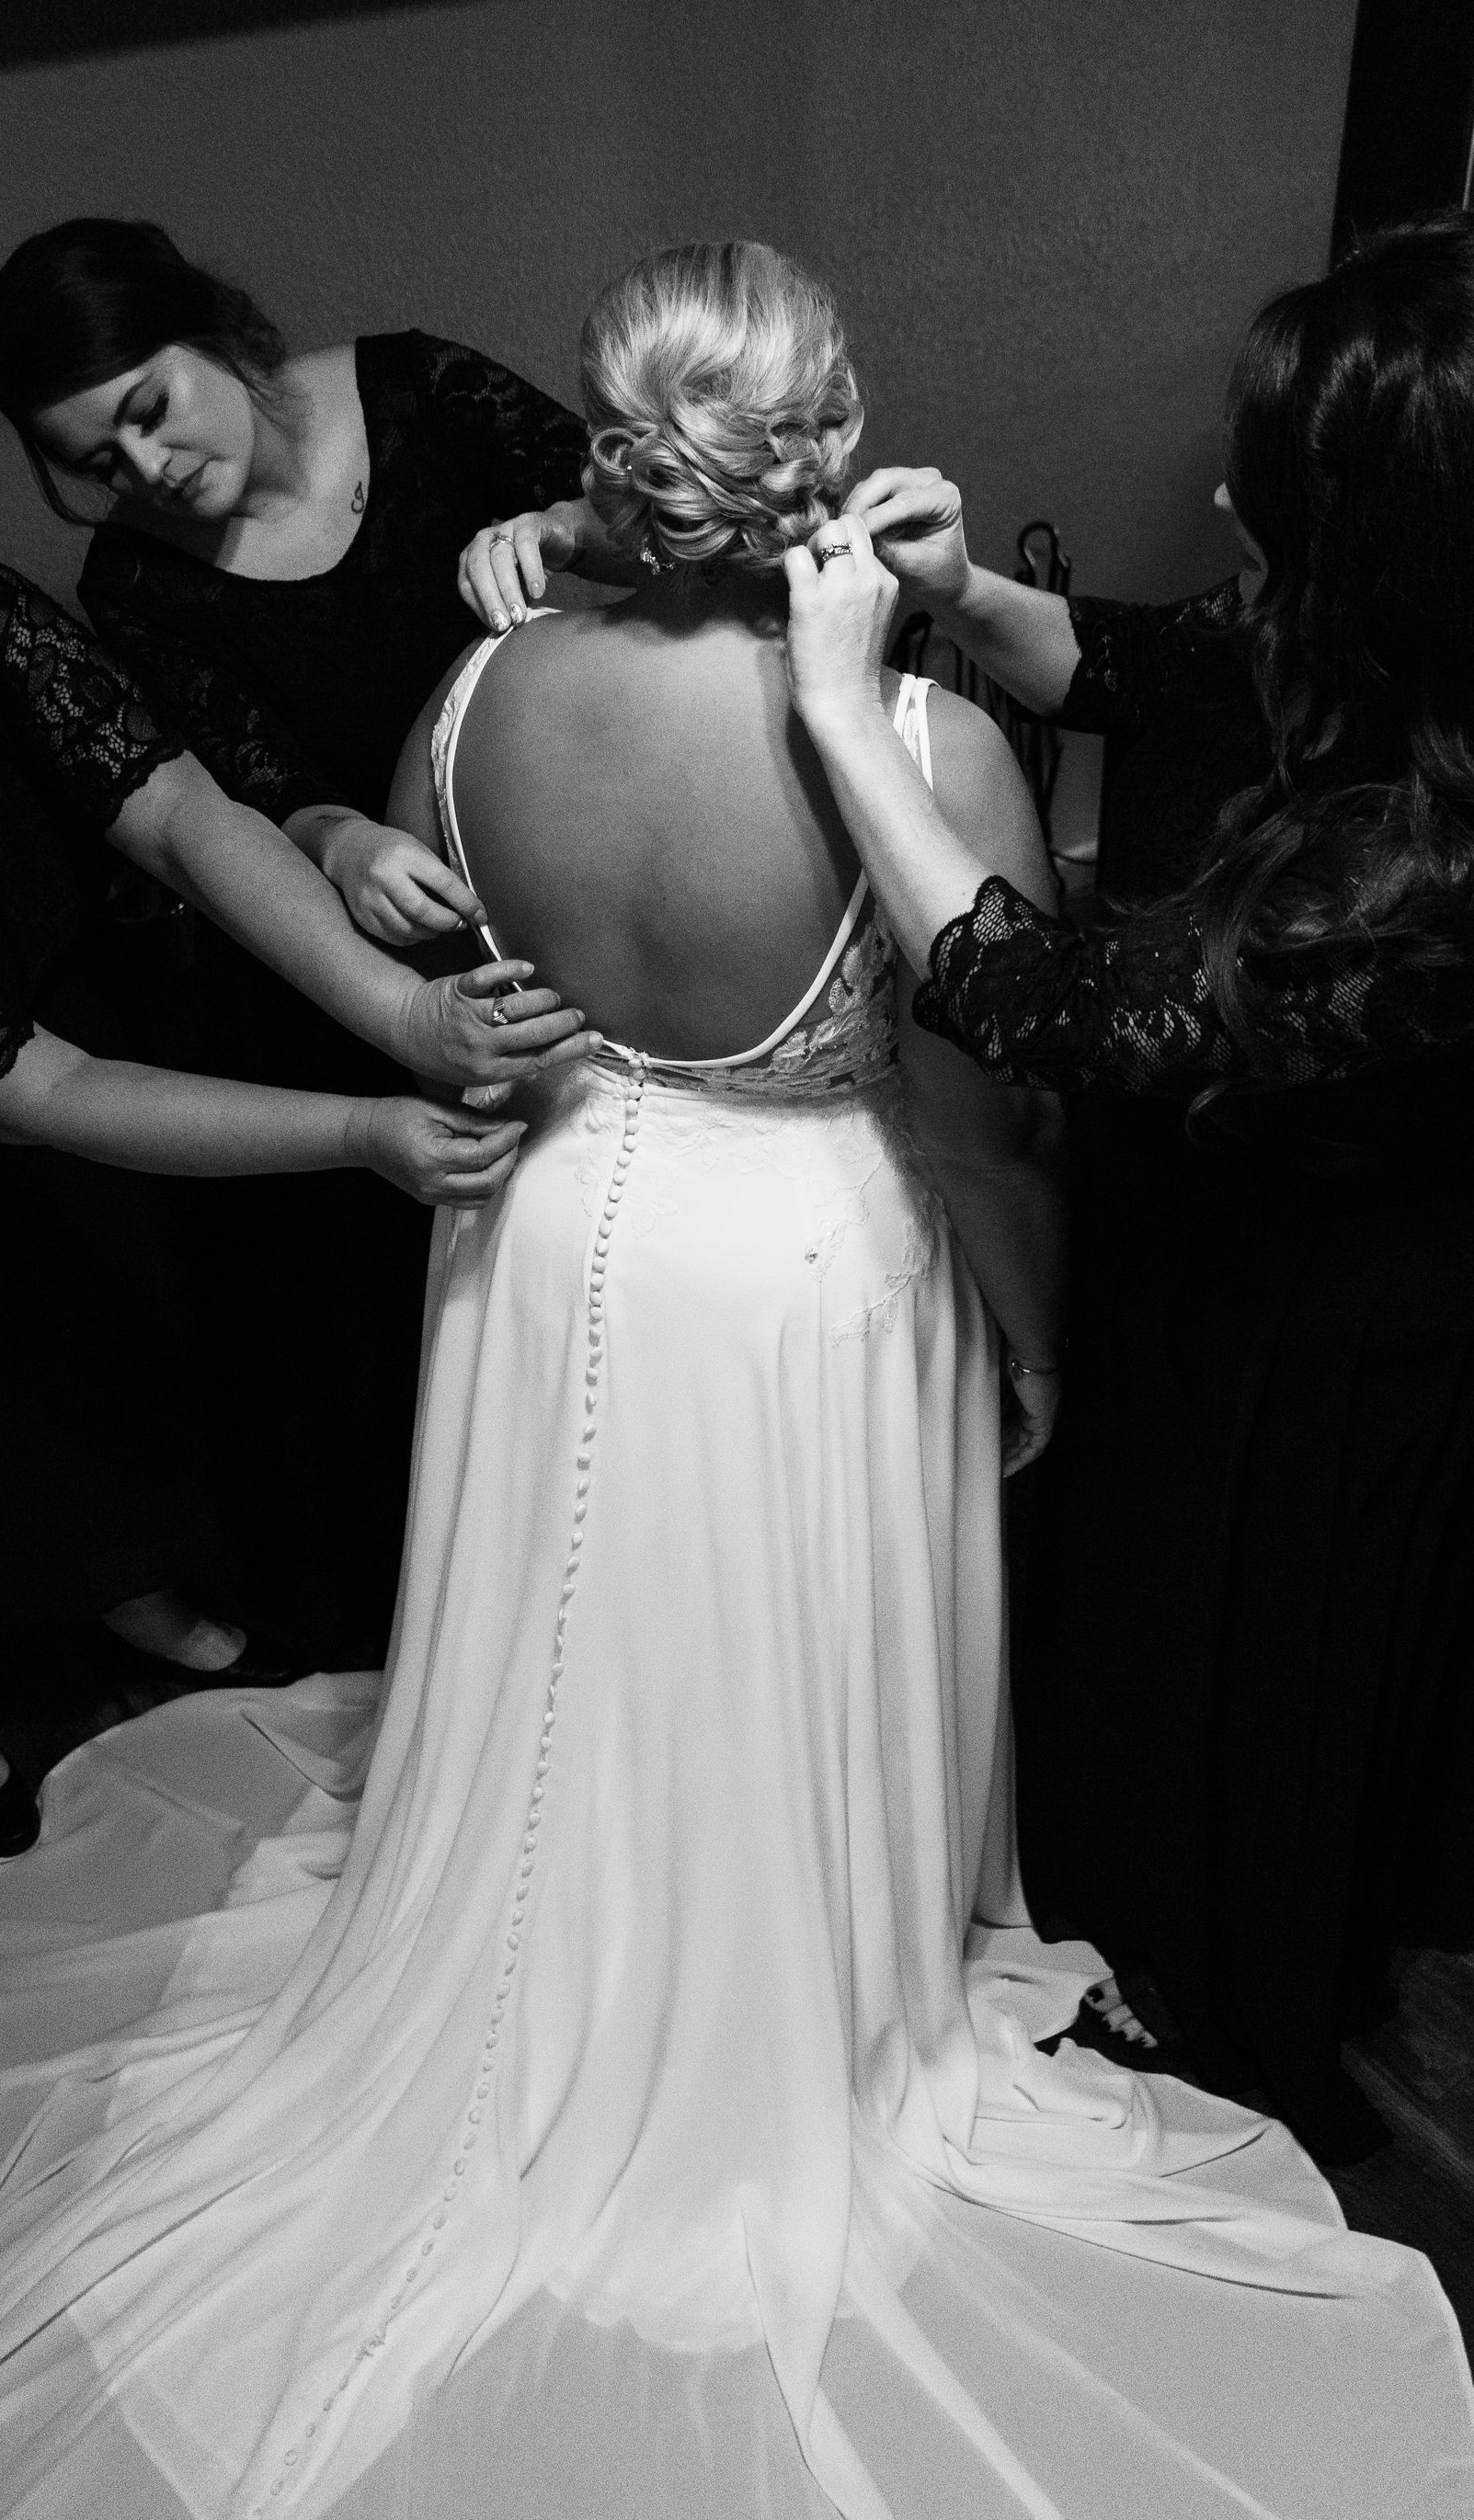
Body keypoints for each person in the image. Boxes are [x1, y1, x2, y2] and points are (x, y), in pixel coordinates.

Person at [0, 243, 1468, 2520]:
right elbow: (987, 1094)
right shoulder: (914, 742)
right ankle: (782, 2000)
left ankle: (567, 1983)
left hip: (550, 1235)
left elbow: (461, 927)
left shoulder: (467, 701)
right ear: (827, 450)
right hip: (807, 1264)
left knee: (582, 1641)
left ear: (609, 453)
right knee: (775, 1654)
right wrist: (1034, 1323)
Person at [763, 210, 1474, 2159]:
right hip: (1228, 1243)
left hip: (1327, 1335)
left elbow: (1035, 999)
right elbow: (1153, 668)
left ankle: (1229, 2018)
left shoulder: (1433, 856)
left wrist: (841, 707)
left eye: (1278, 473)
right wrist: (963, 589)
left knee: (1253, 1690)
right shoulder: (1385, 633)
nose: (1227, 485)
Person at [0, 458, 581, 1854]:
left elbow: (186, 817)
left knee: (80, 1325)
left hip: (52, 996)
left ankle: (119, 1583)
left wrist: (404, 1012)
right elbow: (47, 1089)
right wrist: (363, 1130)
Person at [0, 220, 610, 1660]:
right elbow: (236, 794)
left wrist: (567, 535)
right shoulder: (133, 586)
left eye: (145, 408)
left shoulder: (418, 387)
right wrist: (346, 838)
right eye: (86, 455)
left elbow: (647, 523)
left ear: (208, 327)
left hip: (580, 869)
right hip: (356, 965)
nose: (139, 469)